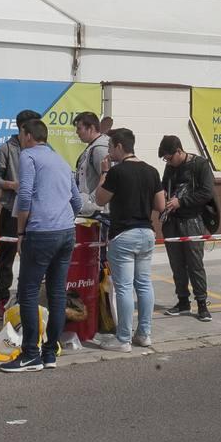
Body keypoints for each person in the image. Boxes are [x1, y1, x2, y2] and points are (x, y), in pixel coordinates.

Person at [0, 118, 81, 374]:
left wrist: (21, 231)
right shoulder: (59, 159)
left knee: (29, 292)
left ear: (27, 135)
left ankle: (30, 354)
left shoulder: (28, 156)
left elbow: (24, 195)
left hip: (41, 232)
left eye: (21, 134)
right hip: (67, 231)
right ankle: (49, 353)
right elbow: (76, 200)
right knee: (57, 292)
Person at [94, 128, 164, 352]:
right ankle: (144, 334)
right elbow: (160, 206)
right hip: (147, 233)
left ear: (119, 147)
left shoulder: (117, 172)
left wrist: (104, 172)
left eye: (110, 147)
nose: (109, 152)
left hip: (123, 234)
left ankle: (123, 339)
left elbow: (99, 199)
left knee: (123, 288)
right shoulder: (152, 171)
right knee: (144, 285)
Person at [0, 109, 40, 317]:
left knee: (34, 255)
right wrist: (12, 184)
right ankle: (3, 297)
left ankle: (28, 297)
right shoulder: (6, 149)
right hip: (11, 211)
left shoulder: (44, 149)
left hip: (36, 211)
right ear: (22, 129)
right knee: (7, 255)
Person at [159, 134, 215, 322]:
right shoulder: (169, 167)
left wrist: (181, 202)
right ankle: (183, 301)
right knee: (176, 264)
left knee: (195, 264)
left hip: (192, 221)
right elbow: (163, 185)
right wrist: (164, 196)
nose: (168, 162)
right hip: (171, 222)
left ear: (179, 151)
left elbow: (207, 193)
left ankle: (201, 304)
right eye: (165, 160)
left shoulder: (200, 165)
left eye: (169, 158)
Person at [73, 111, 111, 216]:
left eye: (79, 128)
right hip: (93, 210)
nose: (77, 132)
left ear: (91, 128)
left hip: (98, 212)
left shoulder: (99, 149)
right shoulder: (93, 147)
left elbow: (108, 179)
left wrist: (90, 201)